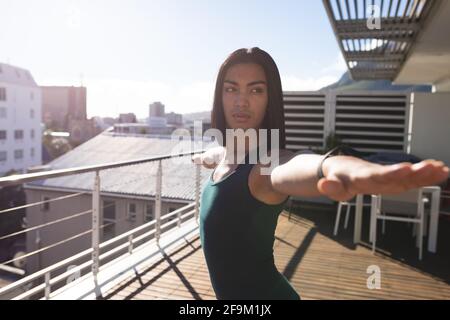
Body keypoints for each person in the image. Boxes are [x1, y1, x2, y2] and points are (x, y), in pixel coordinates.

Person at [192, 47, 449, 300]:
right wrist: (203, 157)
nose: (241, 101)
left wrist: (330, 167)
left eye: (256, 90)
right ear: (220, 95)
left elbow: (293, 166)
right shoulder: (224, 155)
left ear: (270, 100)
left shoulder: (266, 166)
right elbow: (217, 156)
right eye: (231, 88)